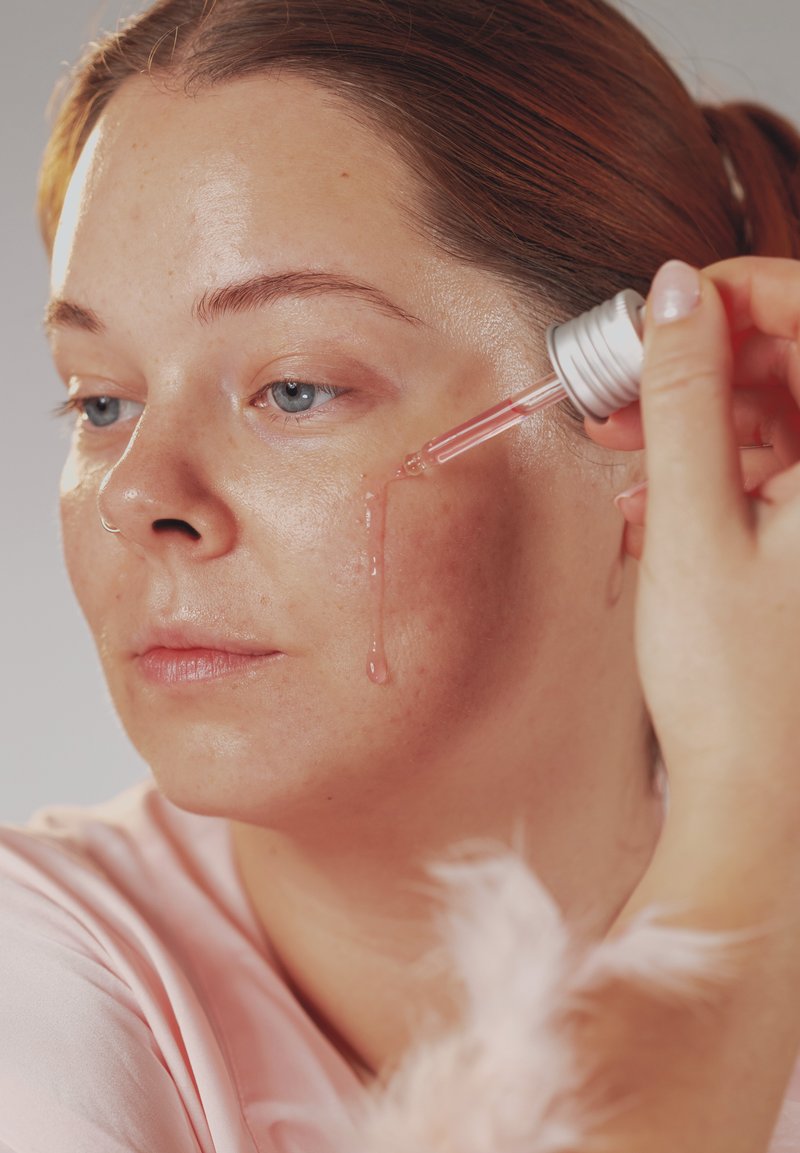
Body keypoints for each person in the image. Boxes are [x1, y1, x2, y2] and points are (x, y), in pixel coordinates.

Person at [2, 0, 800, 1149]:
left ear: (694, 429)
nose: (136, 494)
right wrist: (750, 850)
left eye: (294, 388)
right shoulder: (35, 967)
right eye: (100, 401)